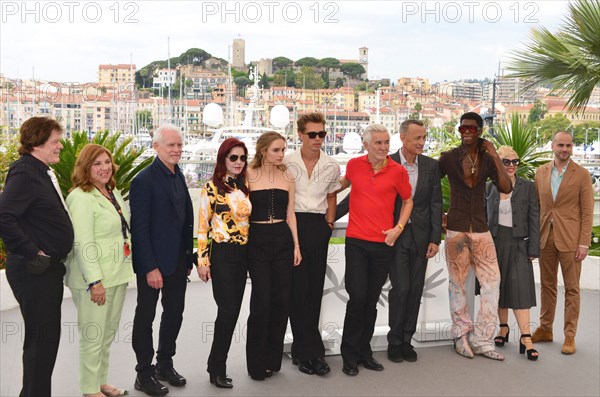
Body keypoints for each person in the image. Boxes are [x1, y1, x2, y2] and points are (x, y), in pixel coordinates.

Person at [0, 116, 74, 396]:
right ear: (37, 143)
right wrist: (34, 252)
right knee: (41, 343)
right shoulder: (26, 173)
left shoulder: (38, 171)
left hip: (44, 272)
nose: (59, 146)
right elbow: (4, 216)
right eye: (55, 141)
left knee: (44, 342)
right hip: (35, 271)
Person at [337, 124, 413, 376]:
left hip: (384, 244)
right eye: (378, 143)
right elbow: (337, 188)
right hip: (356, 242)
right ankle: (349, 354)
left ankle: (364, 352)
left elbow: (408, 201)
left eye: (385, 142)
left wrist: (398, 228)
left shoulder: (398, 171)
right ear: (366, 144)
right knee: (357, 298)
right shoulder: (354, 165)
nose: (383, 147)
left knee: (370, 301)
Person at [438, 112, 511, 361]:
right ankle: (460, 335)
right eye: (463, 128)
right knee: (457, 284)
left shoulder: (488, 160)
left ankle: (483, 339)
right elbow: (428, 186)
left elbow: (506, 187)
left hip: (481, 229)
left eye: (471, 128)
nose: (466, 132)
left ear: (480, 130)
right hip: (456, 229)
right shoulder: (449, 158)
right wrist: (439, 213)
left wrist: (493, 154)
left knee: (492, 283)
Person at [130, 124, 195, 396]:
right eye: (171, 145)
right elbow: (140, 229)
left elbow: (183, 222)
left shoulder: (178, 175)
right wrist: (149, 267)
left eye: (179, 145)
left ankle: (164, 364)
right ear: (156, 147)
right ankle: (144, 374)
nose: (177, 149)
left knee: (174, 314)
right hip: (153, 265)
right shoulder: (143, 180)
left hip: (178, 262)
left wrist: (188, 258)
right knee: (146, 317)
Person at [65, 144, 135, 396]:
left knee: (106, 335)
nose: (104, 168)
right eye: (97, 163)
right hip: (93, 281)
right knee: (93, 336)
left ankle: (100, 382)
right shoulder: (80, 198)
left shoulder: (111, 190)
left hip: (116, 274)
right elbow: (83, 242)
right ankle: (89, 388)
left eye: (107, 162)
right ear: (85, 167)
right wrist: (95, 282)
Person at [285, 112, 341, 376]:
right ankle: (307, 351)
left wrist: (329, 224)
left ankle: (306, 351)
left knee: (313, 291)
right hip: (291, 228)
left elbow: (332, 196)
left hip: (318, 228)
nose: (318, 139)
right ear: (300, 135)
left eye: (322, 134)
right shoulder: (285, 162)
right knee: (296, 292)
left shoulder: (332, 165)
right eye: (312, 134)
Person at [246, 131, 302, 381]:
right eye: (276, 150)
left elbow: (291, 213)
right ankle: (256, 363)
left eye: (283, 149)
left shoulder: (288, 176)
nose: (281, 155)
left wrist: (296, 246)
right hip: (256, 240)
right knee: (261, 303)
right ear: (263, 150)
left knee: (281, 302)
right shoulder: (247, 175)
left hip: (282, 239)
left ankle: (272, 359)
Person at [532, 131, 594, 355]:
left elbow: (588, 212)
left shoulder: (582, 174)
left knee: (572, 289)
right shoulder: (541, 172)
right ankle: (546, 329)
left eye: (568, 145)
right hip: (545, 237)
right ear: (552, 146)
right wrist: (533, 238)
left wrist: (584, 243)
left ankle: (569, 336)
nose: (564, 149)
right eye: (561, 145)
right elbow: (536, 208)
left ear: (572, 147)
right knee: (547, 286)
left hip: (571, 240)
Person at [196, 138, 252, 389]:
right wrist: (202, 261)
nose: (238, 162)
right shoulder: (210, 188)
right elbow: (202, 227)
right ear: (223, 159)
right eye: (233, 158)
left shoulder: (245, 186)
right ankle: (217, 367)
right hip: (223, 254)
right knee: (227, 312)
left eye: (242, 158)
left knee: (232, 312)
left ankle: (216, 364)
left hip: (244, 255)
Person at [385, 120, 442, 363]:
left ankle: (407, 340)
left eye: (424, 137)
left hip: (421, 236)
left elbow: (436, 204)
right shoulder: (388, 162)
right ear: (403, 138)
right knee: (402, 288)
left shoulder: (431, 165)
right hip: (396, 235)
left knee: (415, 289)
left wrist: (434, 238)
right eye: (417, 138)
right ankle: (394, 340)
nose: (422, 142)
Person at [484, 146, 540, 361]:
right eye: (506, 161)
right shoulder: (489, 187)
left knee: (520, 290)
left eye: (515, 162)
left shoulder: (527, 187)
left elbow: (534, 218)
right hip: (494, 243)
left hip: (519, 244)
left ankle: (526, 338)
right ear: (498, 163)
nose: (511, 166)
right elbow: (482, 217)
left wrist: (533, 247)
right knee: (498, 287)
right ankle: (503, 328)